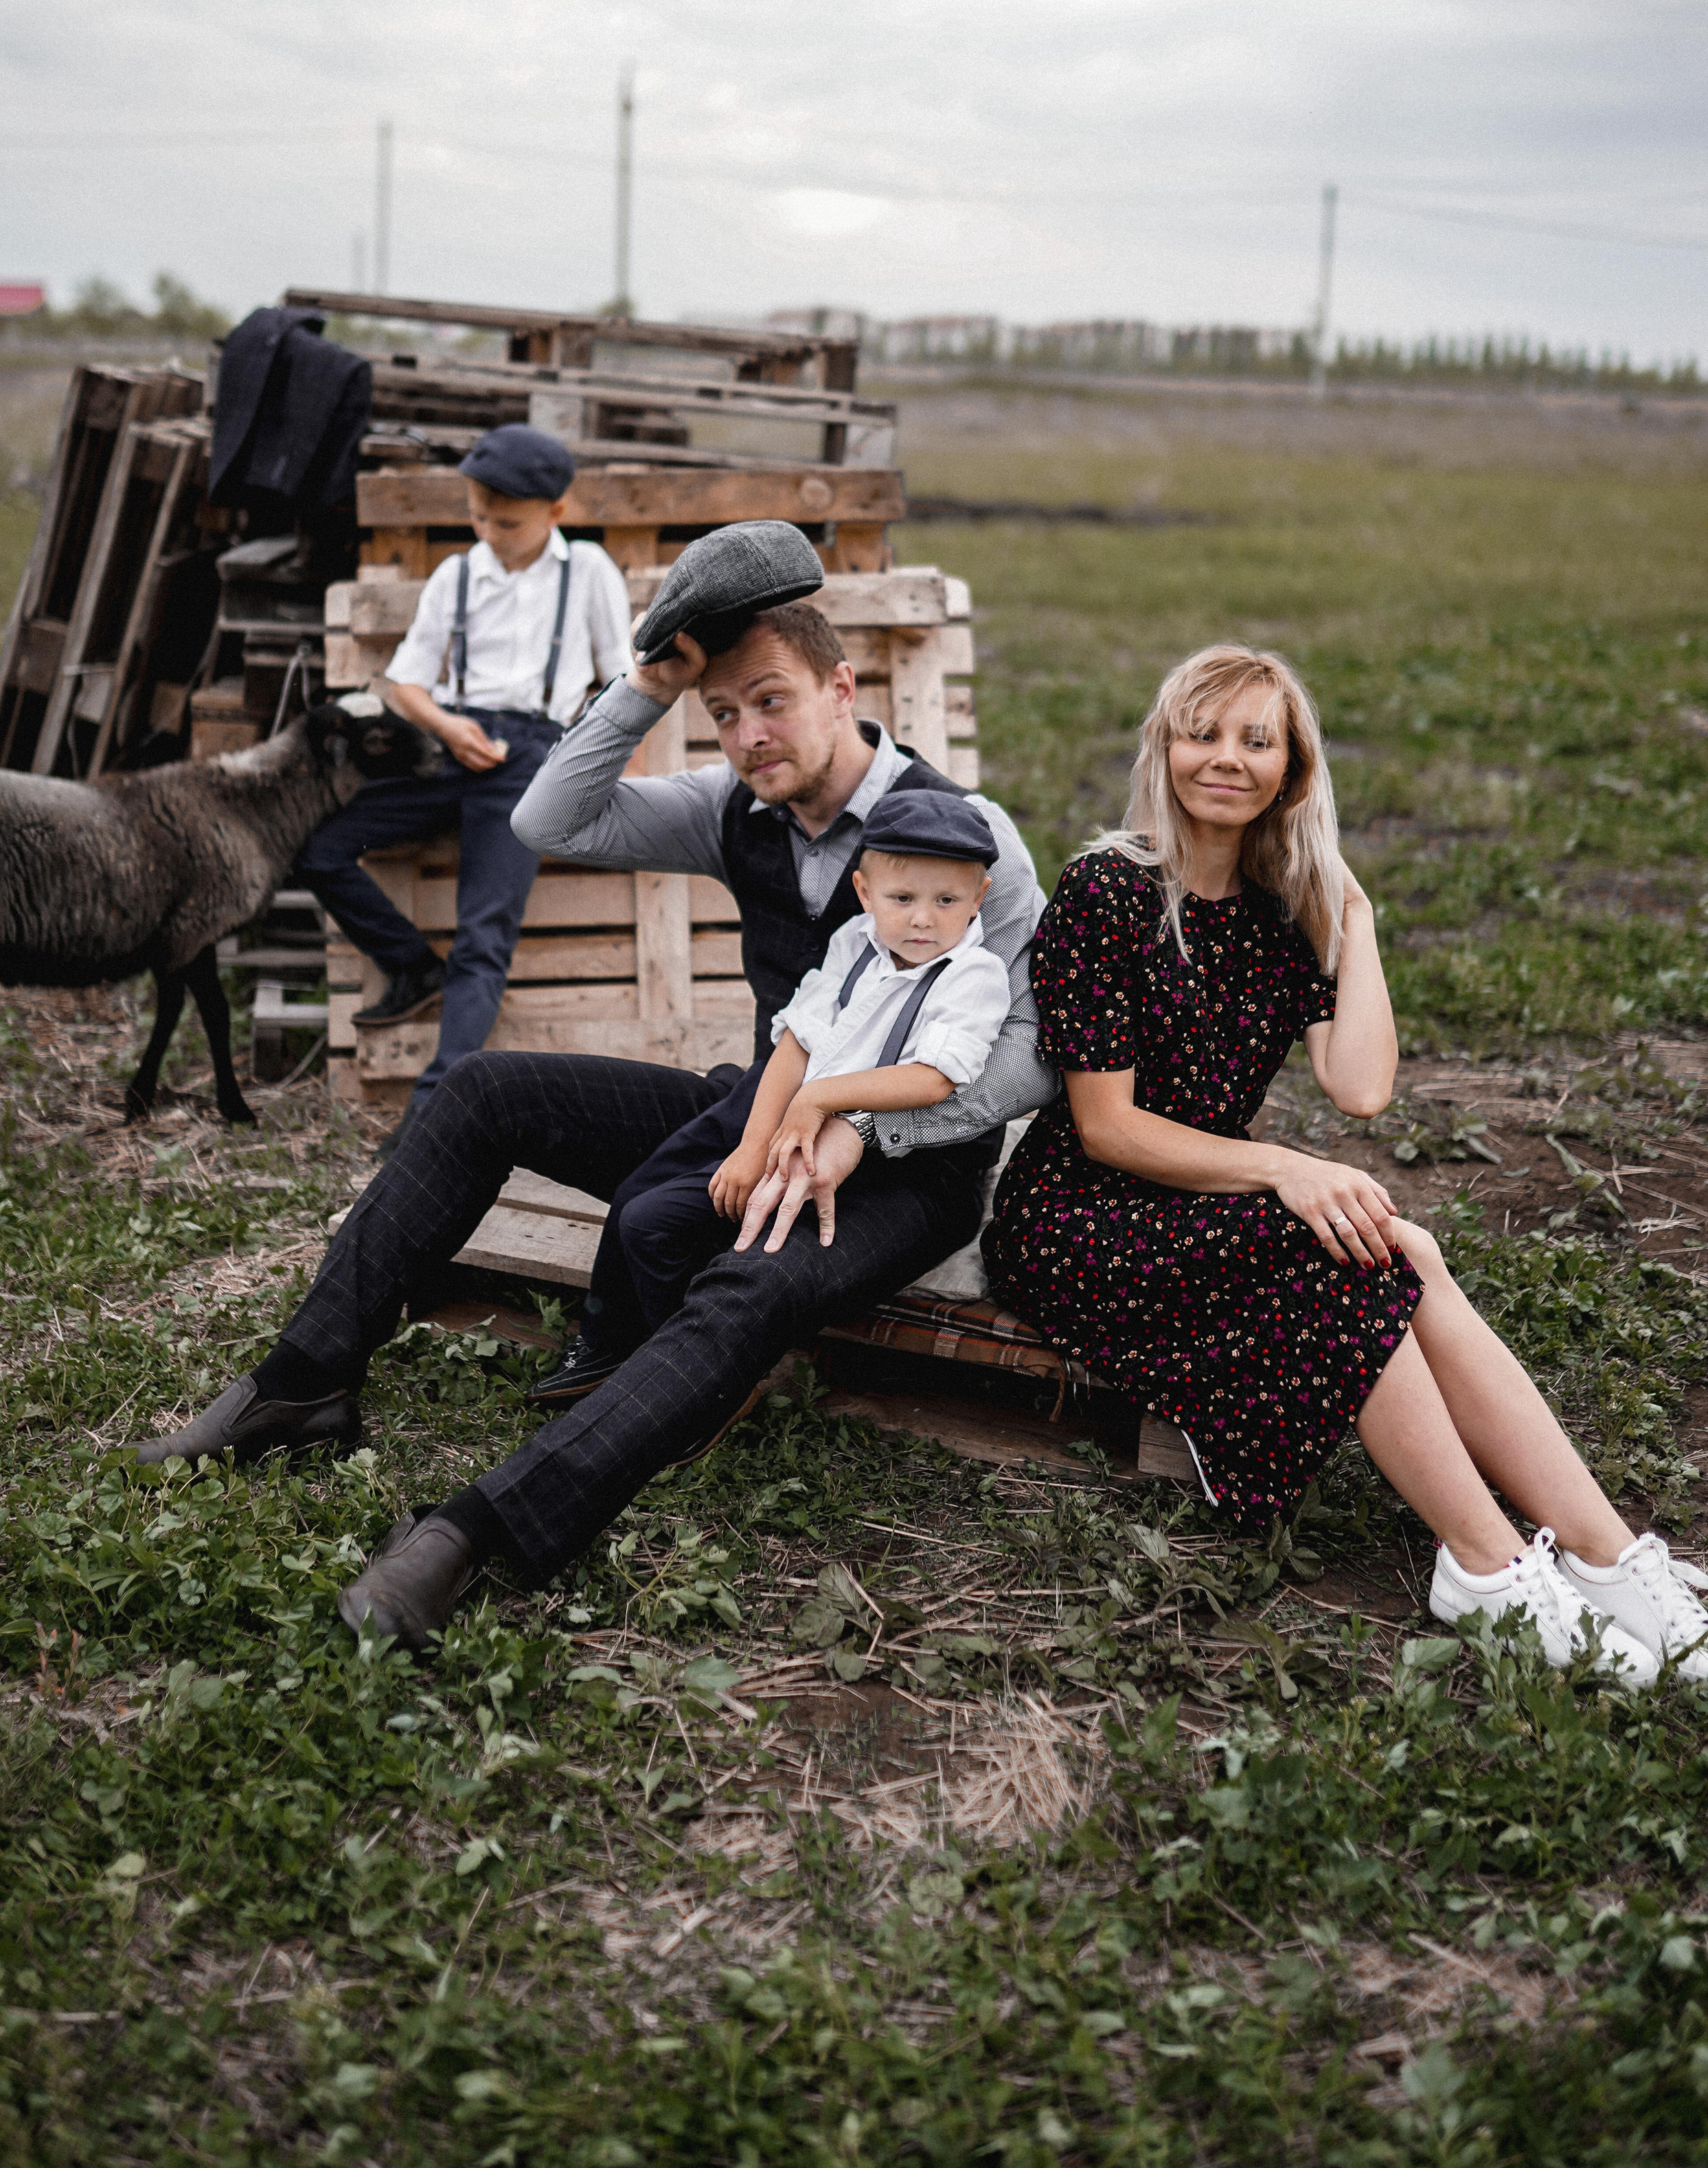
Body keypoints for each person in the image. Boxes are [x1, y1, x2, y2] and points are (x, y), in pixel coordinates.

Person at [128, 523, 1053, 1649]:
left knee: (746, 1287)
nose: (749, 735)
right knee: (483, 1092)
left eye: (771, 701)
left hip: (915, 1169)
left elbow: (1034, 1048)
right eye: (723, 712)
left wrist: (857, 1121)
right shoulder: (732, 808)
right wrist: (647, 683)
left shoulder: (968, 834)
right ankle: (301, 1384)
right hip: (756, 1115)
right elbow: (544, 818)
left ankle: (474, 1535)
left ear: (843, 687)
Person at [982, 642, 1708, 1686]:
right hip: (1079, 1220)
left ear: (1293, 768)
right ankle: (1488, 1567)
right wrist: (1281, 1168)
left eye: (1256, 740)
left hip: (1202, 1204)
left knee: (1392, 1243)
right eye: (1202, 734)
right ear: (1166, 747)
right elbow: (1108, 1129)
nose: (1224, 759)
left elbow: (1362, 1087)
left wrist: (1352, 912)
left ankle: (1604, 1555)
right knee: (1340, 1244)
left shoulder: (1286, 910)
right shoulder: (1107, 890)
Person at [295, 425, 630, 1125]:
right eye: (478, 517)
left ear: (555, 514)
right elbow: (407, 683)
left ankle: (429, 1114)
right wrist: (446, 726)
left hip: (532, 758)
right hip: (450, 743)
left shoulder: (588, 572)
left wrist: (575, 758)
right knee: (319, 848)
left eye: (506, 522)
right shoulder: (457, 574)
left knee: (484, 937)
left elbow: (621, 679)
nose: (490, 532)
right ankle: (412, 966)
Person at [617, 784, 1012, 1333]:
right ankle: (660, 1345)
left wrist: (819, 1098)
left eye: (946, 901)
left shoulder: (975, 975)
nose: (923, 919)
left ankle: (720, 1347)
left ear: (979, 898)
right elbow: (797, 1041)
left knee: (757, 1258)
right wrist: (753, 1149)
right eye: (903, 899)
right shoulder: (854, 942)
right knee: (646, 1219)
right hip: (793, 1127)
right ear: (864, 892)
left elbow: (933, 1079)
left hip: (878, 1157)